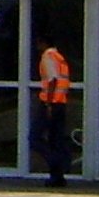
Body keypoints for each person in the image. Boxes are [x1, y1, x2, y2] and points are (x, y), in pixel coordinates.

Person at [35, 35, 76, 187]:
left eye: (38, 44)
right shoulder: (60, 58)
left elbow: (52, 80)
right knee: (55, 140)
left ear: (44, 43)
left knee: (34, 137)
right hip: (60, 103)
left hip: (51, 103)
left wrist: (48, 104)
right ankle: (57, 177)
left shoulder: (48, 56)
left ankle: (57, 161)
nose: (37, 47)